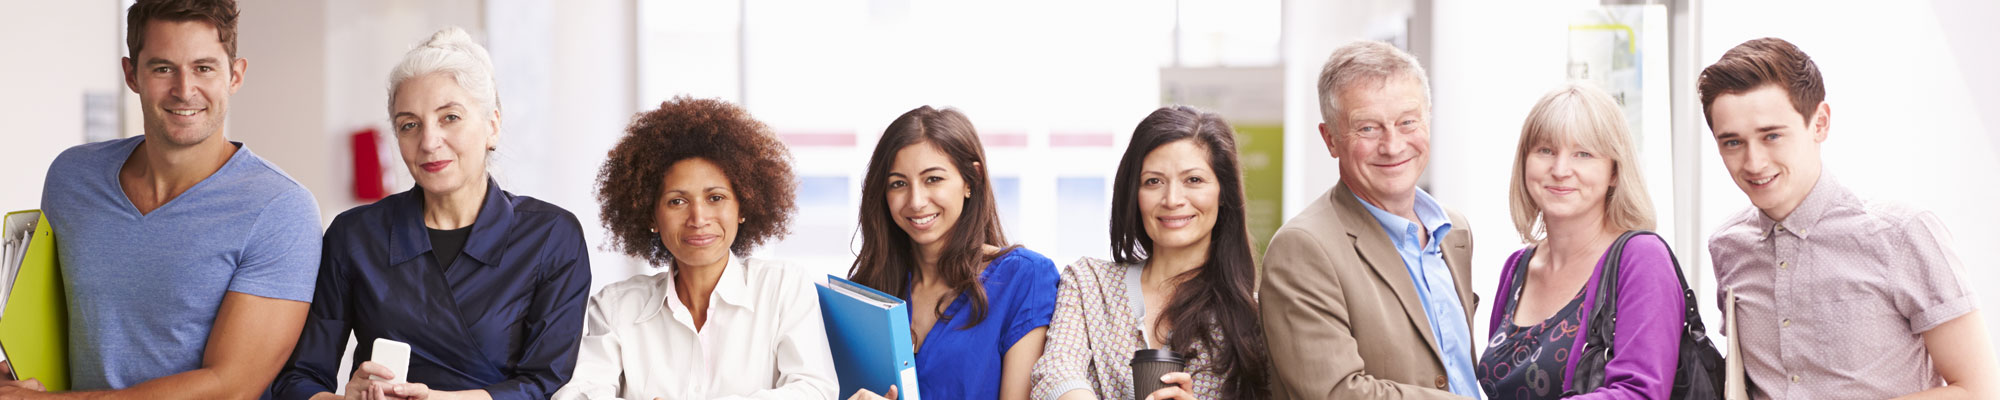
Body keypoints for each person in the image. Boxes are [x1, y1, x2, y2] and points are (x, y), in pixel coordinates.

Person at [2, 0, 323, 398]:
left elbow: (229, 387)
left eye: (204, 68)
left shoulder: (280, 208)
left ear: (235, 75)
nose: (184, 90)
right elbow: (61, 325)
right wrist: (17, 373)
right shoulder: (71, 178)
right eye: (162, 68)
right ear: (131, 74)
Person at [269, 26, 592, 400]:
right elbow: (298, 380)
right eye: (410, 125)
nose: (429, 142)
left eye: (450, 117)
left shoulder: (551, 236)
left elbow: (546, 384)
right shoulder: (354, 236)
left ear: (492, 126)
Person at [1700, 37, 2000, 399]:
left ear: (1820, 124)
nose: (1754, 163)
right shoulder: (1728, 246)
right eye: (1732, 142)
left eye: (1772, 136)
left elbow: (1978, 390)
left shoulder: (1903, 234)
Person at [551, 97, 837, 399]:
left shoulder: (782, 288)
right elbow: (577, 395)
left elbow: (815, 390)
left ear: (743, 207)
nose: (698, 218)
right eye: (677, 201)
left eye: (715, 198)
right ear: (651, 217)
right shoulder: (615, 308)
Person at [1259, 40, 1480, 399]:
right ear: (1330, 139)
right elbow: (1335, 393)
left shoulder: (1454, 233)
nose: (1393, 145)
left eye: (1407, 122)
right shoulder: (1302, 249)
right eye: (1368, 128)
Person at [1030, 106, 1269, 400]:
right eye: (1153, 181)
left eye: (1193, 180)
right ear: (1134, 193)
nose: (1172, 200)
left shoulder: (1255, 319)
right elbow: (1056, 372)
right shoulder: (1088, 283)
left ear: (1223, 193)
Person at [1477, 82, 1682, 399]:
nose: (1560, 169)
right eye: (1546, 150)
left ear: (1614, 171)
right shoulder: (1517, 267)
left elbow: (1639, 393)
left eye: (1583, 154)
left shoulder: (1641, 258)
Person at [846, 106, 1059, 400]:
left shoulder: (1024, 277)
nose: (916, 201)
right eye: (898, 184)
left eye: (933, 179)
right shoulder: (867, 289)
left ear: (970, 180)